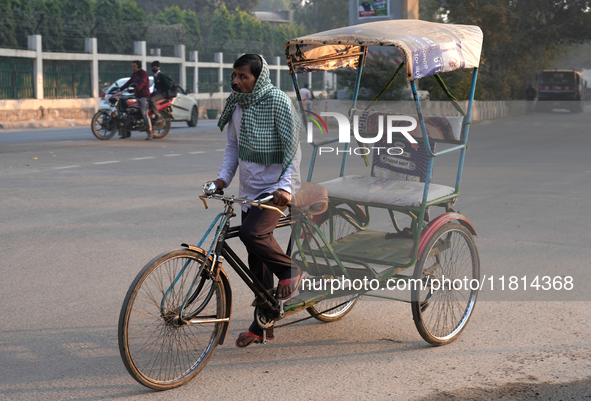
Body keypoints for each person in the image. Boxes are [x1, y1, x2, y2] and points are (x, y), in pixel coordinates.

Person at [208, 54, 303, 348]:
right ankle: (262, 324)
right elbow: (233, 147)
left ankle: (291, 271)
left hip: (277, 188)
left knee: (253, 234)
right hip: (250, 191)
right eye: (234, 75)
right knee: (256, 259)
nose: (236, 81)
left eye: (243, 77)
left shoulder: (277, 102)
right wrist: (222, 178)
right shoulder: (237, 104)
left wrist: (286, 188)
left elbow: (293, 148)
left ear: (257, 78)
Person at [120, 60, 153, 140]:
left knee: (144, 113)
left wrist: (137, 88)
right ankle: (126, 132)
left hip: (143, 96)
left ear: (138, 66)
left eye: (134, 66)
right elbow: (129, 81)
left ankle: (150, 132)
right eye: (132, 66)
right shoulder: (134, 74)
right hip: (136, 96)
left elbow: (142, 83)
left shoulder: (144, 74)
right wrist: (121, 88)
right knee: (125, 111)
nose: (132, 68)